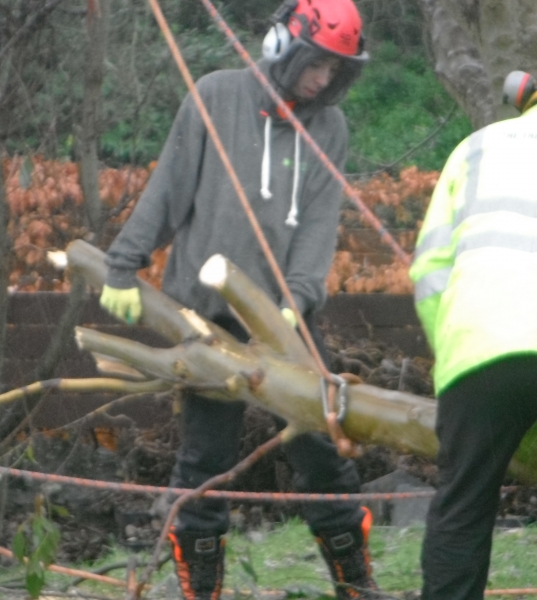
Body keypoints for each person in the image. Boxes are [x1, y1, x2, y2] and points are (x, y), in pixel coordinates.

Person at [99, 1, 377, 598]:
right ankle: (202, 590)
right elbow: (168, 191)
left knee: (322, 454)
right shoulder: (216, 95)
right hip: (206, 318)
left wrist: (294, 302)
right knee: (206, 462)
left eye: (335, 70)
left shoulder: (329, 129)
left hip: (286, 320)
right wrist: (122, 265)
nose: (323, 79)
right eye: (316, 64)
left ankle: (358, 587)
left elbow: (318, 228)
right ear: (284, 46)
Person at [410, 71, 537, 600]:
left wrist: (453, 355)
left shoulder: (476, 148)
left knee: (461, 507)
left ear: (527, 101)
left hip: (476, 349)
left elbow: (428, 272)